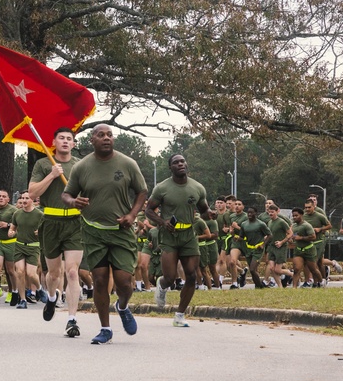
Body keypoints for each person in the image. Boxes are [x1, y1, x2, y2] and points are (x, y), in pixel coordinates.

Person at [61, 124, 148, 344]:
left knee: (124, 283)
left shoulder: (127, 163)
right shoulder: (82, 166)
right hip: (93, 231)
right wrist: (74, 201)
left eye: (110, 135)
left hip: (121, 231)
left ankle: (123, 306)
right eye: (101, 135)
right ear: (92, 140)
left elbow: (142, 192)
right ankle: (105, 329)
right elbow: (67, 194)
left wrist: (132, 214)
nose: (106, 138)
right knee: (99, 280)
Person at [27, 128, 83, 328]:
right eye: (62, 138)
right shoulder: (43, 164)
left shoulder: (79, 165)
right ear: (54, 142)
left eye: (69, 139)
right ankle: (51, 297)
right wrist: (51, 175)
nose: (66, 141)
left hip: (75, 224)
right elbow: (32, 193)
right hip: (50, 221)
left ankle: (72, 319)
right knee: (53, 274)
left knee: (72, 272)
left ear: (74, 144)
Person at [145, 154, 209, 327]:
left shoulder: (197, 187)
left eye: (182, 161)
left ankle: (180, 315)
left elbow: (204, 210)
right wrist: (162, 222)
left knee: (191, 275)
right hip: (169, 235)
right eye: (175, 162)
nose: (180, 164)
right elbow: (149, 210)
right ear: (170, 167)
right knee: (170, 277)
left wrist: (209, 214)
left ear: (186, 165)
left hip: (189, 235)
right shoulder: (162, 188)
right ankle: (162, 284)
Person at [9, 191, 45, 309]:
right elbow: (13, 228)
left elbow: (46, 229)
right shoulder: (17, 214)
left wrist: (40, 232)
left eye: (27, 198)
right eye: (22, 198)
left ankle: (39, 289)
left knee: (30, 274)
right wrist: (11, 232)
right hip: (19, 245)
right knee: (19, 272)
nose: (24, 200)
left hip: (33, 246)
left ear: (32, 200)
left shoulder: (39, 214)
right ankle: (23, 300)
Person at [0, 189, 18, 306]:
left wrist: (8, 225)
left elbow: (18, 225)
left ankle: (14, 291)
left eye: (4, 196)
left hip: (11, 242)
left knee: (10, 270)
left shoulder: (13, 210)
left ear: (8, 199)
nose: (1, 198)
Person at [290, 208, 322, 287]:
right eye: (293, 216)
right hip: (298, 250)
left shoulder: (306, 225)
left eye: (296, 215)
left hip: (309, 250)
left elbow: (313, 237)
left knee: (313, 269)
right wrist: (290, 239)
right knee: (296, 269)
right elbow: (291, 235)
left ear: (301, 215)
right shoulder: (293, 226)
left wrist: (301, 238)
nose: (294, 217)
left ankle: (320, 282)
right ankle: (294, 288)